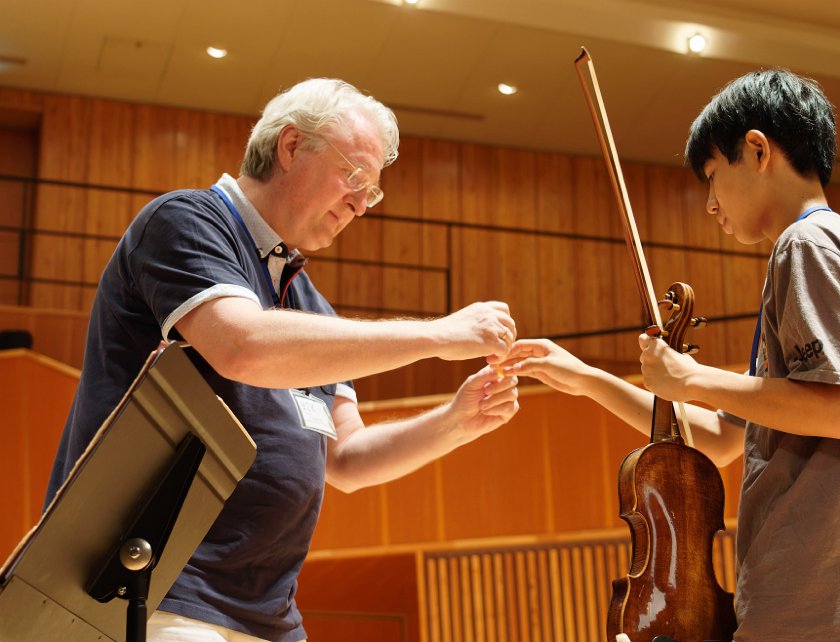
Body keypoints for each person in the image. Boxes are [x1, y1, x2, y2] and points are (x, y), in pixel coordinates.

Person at [44, 78, 520, 642]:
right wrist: (437, 334)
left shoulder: (311, 306)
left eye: (371, 192)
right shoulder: (186, 221)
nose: (361, 204)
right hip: (156, 592)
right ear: (291, 147)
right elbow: (241, 345)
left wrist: (455, 422)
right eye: (356, 177)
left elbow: (347, 460)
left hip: (267, 614)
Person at [505, 69, 840, 640]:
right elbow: (722, 439)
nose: (710, 203)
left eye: (712, 177)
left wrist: (693, 377)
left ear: (757, 150)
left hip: (828, 593)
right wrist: (587, 378)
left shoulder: (805, 244)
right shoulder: (839, 245)